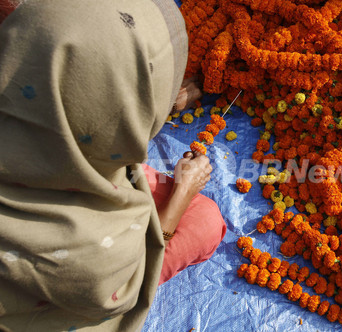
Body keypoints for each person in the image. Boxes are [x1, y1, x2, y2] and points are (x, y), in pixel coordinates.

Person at [0, 0, 226, 331]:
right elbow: (124, 280)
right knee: (203, 221)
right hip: (71, 292)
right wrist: (183, 192)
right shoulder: (87, 259)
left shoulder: (21, 78)